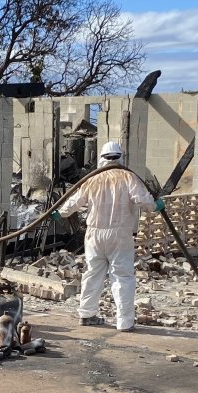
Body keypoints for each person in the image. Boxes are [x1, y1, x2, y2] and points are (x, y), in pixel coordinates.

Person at [52, 141, 164, 332]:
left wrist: (59, 213)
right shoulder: (129, 177)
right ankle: (125, 322)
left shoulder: (92, 179)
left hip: (95, 233)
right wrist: (156, 206)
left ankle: (86, 314)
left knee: (92, 273)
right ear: (121, 156)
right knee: (122, 276)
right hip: (120, 234)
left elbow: (73, 201)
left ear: (101, 158)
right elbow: (144, 202)